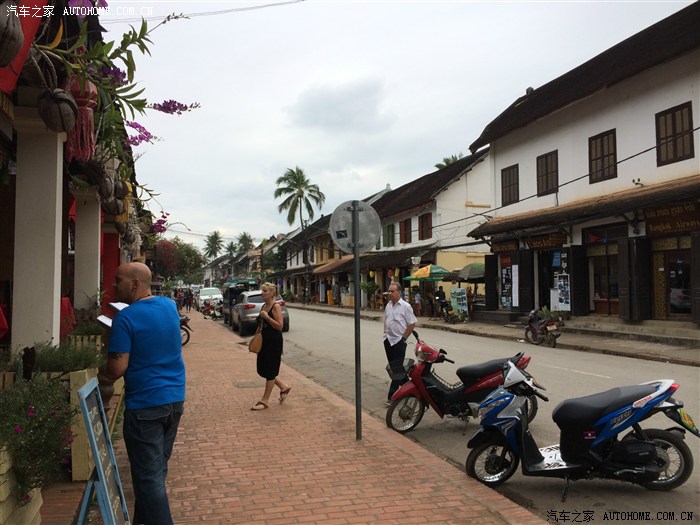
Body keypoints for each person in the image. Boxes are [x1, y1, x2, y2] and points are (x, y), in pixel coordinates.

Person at [102, 262, 185, 525]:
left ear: (134, 284)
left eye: (119, 280)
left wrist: (103, 369)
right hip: (174, 400)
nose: (114, 285)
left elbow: (117, 368)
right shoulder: (169, 306)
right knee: (154, 474)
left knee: (149, 480)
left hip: (145, 406)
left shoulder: (126, 318)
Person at [251, 282, 291, 410]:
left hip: (273, 341)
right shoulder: (264, 306)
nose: (262, 293)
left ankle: (265, 400)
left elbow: (280, 326)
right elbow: (260, 324)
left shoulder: (276, 306)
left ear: (271, 293)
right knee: (262, 369)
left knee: (270, 370)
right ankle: (283, 386)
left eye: (265, 291)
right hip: (264, 341)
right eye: (262, 290)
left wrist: (267, 317)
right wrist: (255, 338)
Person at [383, 282, 416, 405]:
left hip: (399, 341)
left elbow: (412, 323)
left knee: (396, 368)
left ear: (399, 292)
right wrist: (385, 335)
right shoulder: (388, 306)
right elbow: (386, 321)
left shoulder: (406, 306)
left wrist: (404, 338)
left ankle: (392, 396)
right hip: (388, 340)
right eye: (389, 291)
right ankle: (409, 387)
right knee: (394, 368)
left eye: (392, 291)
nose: (390, 294)